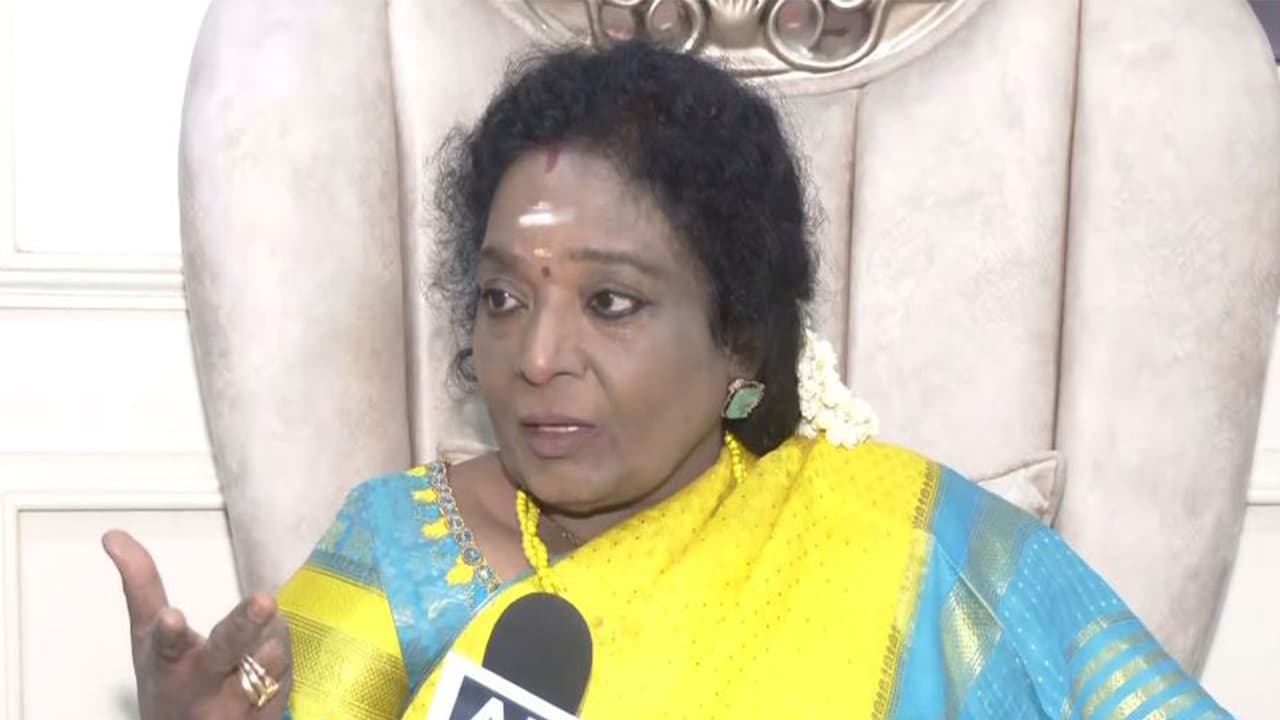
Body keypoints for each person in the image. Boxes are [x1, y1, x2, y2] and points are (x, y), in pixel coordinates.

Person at [103, 41, 1230, 719]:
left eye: (610, 303)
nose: (536, 356)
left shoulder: (907, 544)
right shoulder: (400, 551)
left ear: (738, 338)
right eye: (502, 297)